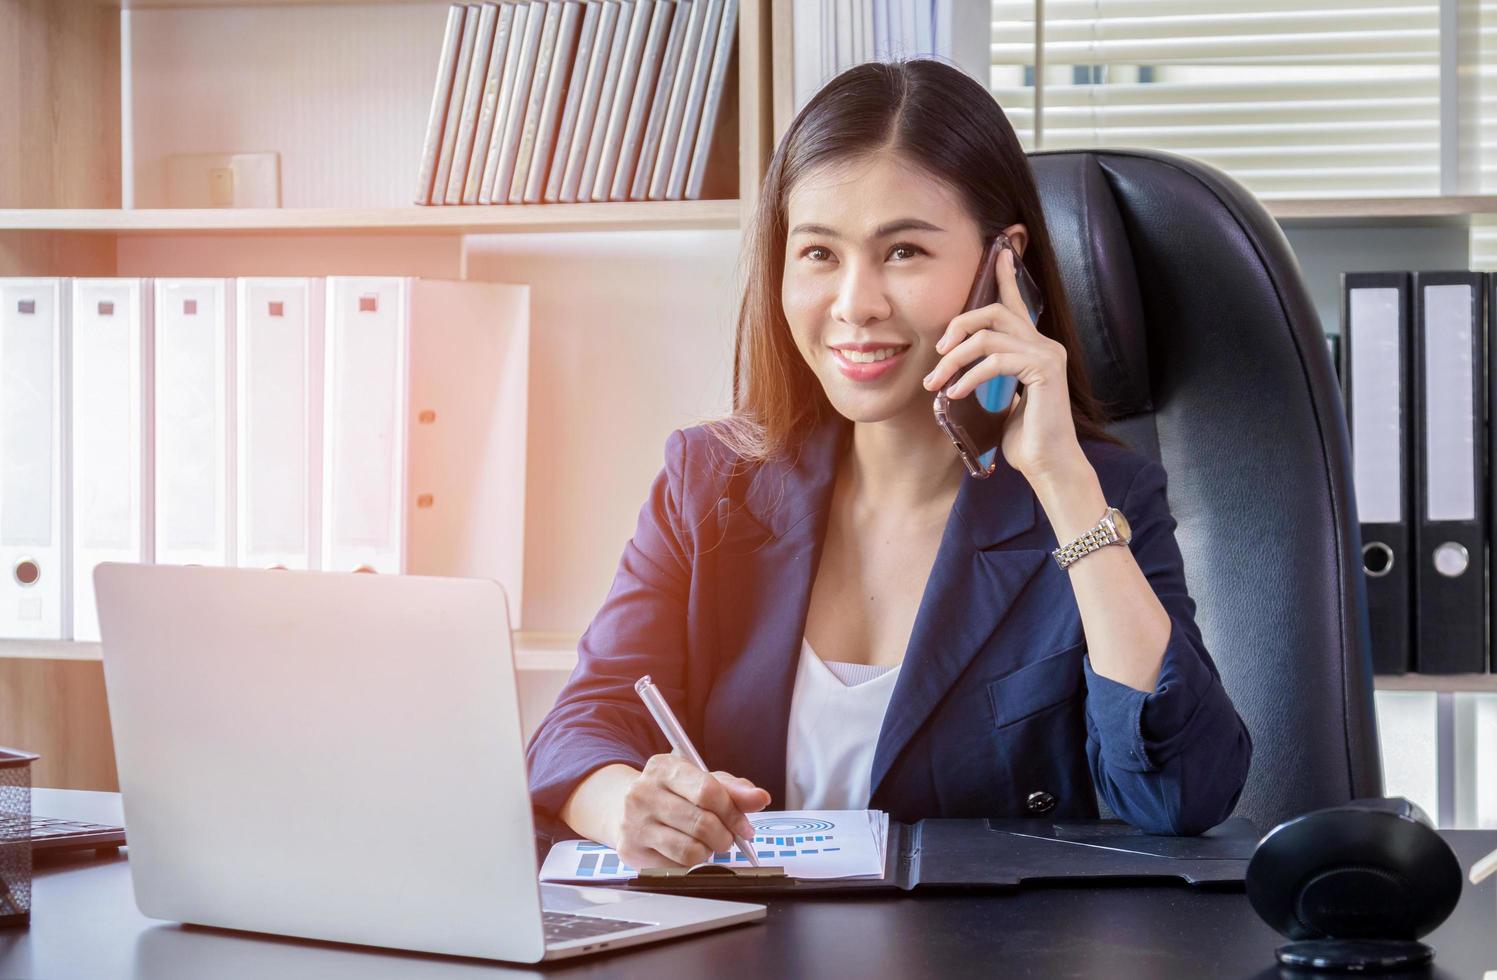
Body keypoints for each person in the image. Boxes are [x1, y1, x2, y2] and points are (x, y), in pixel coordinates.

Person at [527, 59, 1252, 871]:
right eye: (818, 255)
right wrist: (626, 805)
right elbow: (581, 725)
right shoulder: (711, 481)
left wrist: (1060, 481)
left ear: (1001, 262)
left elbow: (1180, 794)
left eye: (902, 251)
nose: (854, 304)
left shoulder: (1100, 496)